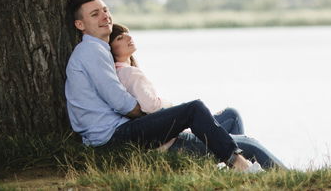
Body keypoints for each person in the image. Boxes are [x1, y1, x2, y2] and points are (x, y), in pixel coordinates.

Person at [64, 0, 263, 172]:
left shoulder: (97, 50)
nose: (104, 16)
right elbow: (121, 102)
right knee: (194, 109)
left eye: (105, 10)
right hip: (111, 138)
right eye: (94, 14)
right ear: (80, 24)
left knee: (218, 117)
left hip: (112, 133)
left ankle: (233, 166)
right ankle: (239, 164)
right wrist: (158, 115)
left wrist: (161, 118)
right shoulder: (91, 50)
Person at [108, 23, 284, 168]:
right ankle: (285, 175)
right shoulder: (129, 73)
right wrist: (169, 104)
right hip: (171, 142)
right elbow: (152, 107)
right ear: (111, 49)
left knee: (231, 115)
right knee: (249, 143)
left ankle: (231, 169)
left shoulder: (124, 72)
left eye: (127, 33)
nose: (128, 38)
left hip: (170, 135)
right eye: (119, 38)